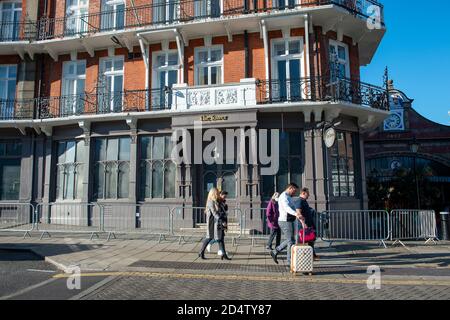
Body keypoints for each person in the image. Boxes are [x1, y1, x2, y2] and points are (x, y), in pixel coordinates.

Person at [269, 183, 301, 265]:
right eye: (294, 191)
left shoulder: (287, 196)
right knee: (290, 241)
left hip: (288, 221)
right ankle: (289, 262)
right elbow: (286, 208)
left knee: (291, 240)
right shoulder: (284, 197)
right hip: (285, 221)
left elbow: (279, 201)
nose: (295, 193)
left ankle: (275, 251)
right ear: (290, 188)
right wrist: (296, 214)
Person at [198, 188, 231, 261]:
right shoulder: (210, 202)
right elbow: (214, 213)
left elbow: (221, 210)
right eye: (216, 193)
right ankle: (201, 252)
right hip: (212, 223)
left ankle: (224, 254)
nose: (218, 194)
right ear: (213, 193)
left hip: (217, 222)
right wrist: (221, 220)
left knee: (221, 238)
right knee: (209, 237)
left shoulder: (216, 201)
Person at [296, 187, 319, 260]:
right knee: (304, 240)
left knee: (311, 240)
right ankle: (303, 257)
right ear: (303, 193)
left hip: (309, 223)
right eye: (307, 194)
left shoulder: (304, 200)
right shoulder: (299, 201)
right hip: (304, 225)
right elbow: (298, 213)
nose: (308, 195)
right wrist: (303, 223)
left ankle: (312, 255)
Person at [207, 190, 229, 256]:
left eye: (225, 197)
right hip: (219, 221)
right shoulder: (217, 202)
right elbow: (218, 212)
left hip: (223, 220)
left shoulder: (223, 202)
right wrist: (222, 221)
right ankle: (220, 250)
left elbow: (224, 211)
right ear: (220, 195)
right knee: (220, 237)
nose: (225, 198)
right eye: (224, 196)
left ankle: (220, 250)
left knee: (221, 236)